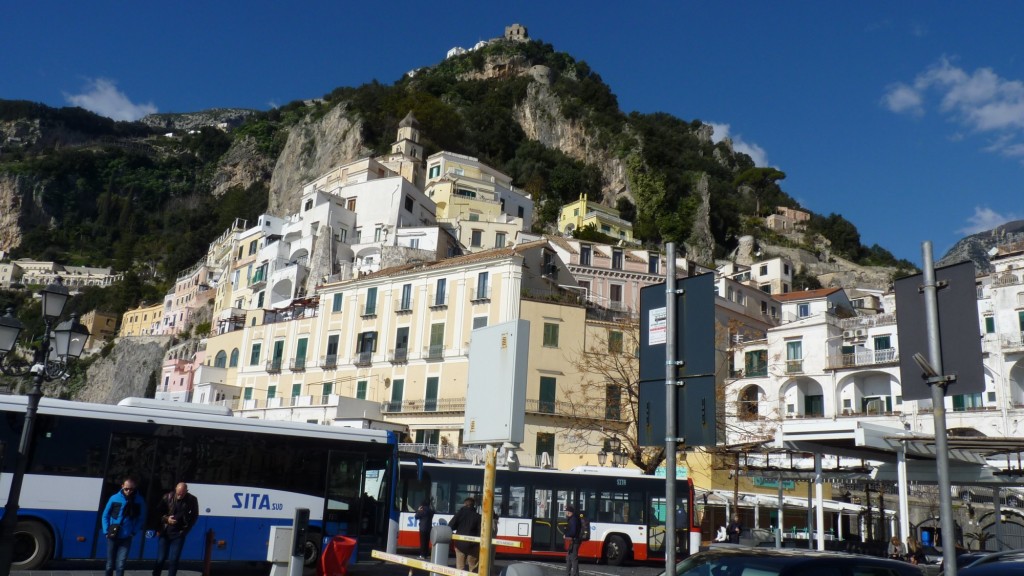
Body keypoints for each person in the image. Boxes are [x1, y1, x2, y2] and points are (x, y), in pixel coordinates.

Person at [102, 477, 147, 576]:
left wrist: (133, 532)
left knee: (121, 565)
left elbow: (141, 518)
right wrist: (106, 531)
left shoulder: (139, 500)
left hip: (126, 536)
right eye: (126, 489)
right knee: (109, 564)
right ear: (122, 486)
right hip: (112, 535)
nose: (128, 491)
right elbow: (105, 515)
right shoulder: (114, 498)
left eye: (131, 489)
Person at [153, 482, 200, 576]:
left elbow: (194, 515)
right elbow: (158, 512)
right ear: (175, 489)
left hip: (179, 533)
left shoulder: (192, 499)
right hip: (165, 532)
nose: (179, 495)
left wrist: (185, 530)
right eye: (178, 493)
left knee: (174, 559)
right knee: (161, 558)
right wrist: (167, 519)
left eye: (182, 493)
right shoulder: (167, 497)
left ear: (186, 491)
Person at [448, 497, 482, 572]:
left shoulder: (459, 514)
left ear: (464, 504)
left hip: (460, 544)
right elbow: (480, 532)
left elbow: (450, 526)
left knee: (460, 568)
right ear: (473, 505)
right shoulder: (478, 516)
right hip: (473, 545)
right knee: (473, 568)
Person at [564, 505, 581, 576]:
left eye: (566, 511)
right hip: (572, 541)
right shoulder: (572, 518)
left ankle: (575, 574)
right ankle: (567, 573)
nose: (565, 513)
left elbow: (573, 532)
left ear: (569, 512)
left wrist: (566, 535)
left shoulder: (573, 519)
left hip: (574, 541)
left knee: (573, 558)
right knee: (568, 558)